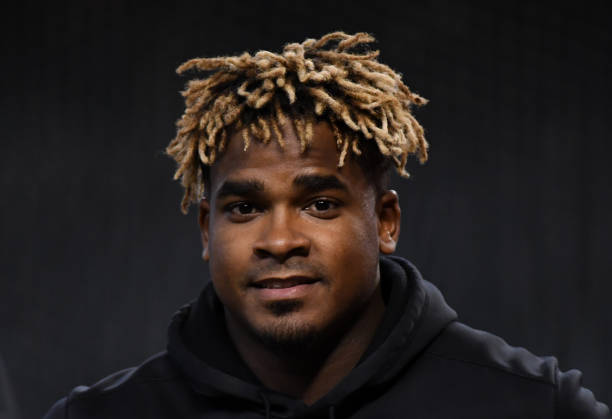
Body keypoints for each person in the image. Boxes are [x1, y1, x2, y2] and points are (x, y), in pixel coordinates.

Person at [44, 32, 610, 419]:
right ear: (206, 230)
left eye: (319, 204)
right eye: (244, 209)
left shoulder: (531, 404)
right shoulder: (100, 415)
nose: (279, 241)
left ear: (385, 222)